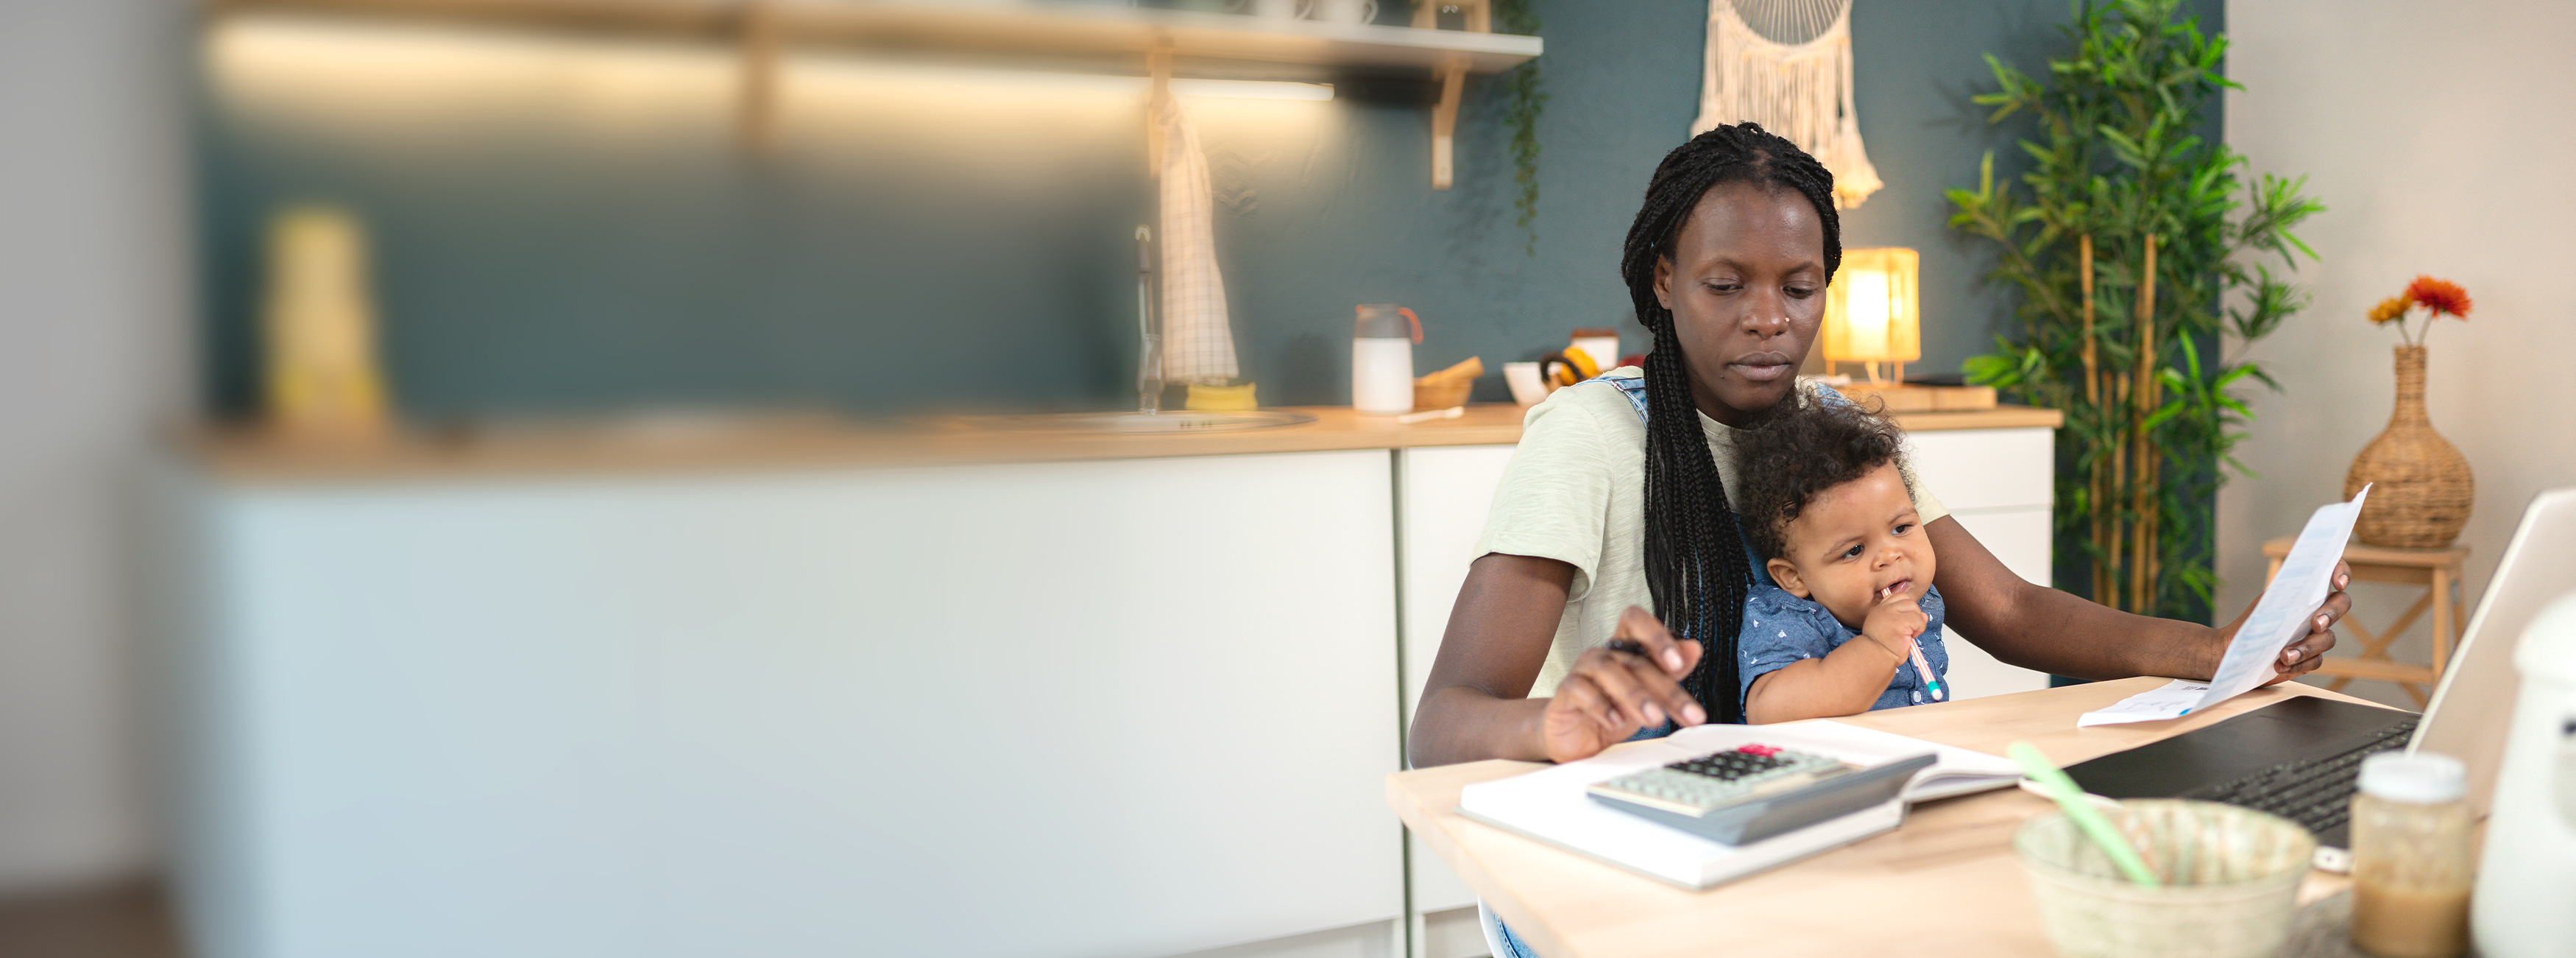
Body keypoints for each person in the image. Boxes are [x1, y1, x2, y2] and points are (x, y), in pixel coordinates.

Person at [1417, 119, 2352, 958]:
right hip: (1622, 859)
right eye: (1723, 283)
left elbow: (2011, 607)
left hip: (1804, 826)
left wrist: (2220, 650)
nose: (1768, 317)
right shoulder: (1589, 434)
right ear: (1663, 280)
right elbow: (1443, 722)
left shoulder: (1830, 423)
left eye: (1799, 285)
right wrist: (1552, 722)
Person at [1733, 397, 1947, 723]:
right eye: (1854, 551)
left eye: (1901, 528)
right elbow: (1768, 709)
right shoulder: (1789, 618)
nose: (1890, 555)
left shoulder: (1922, 598)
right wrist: (1878, 649)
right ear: (1794, 577)